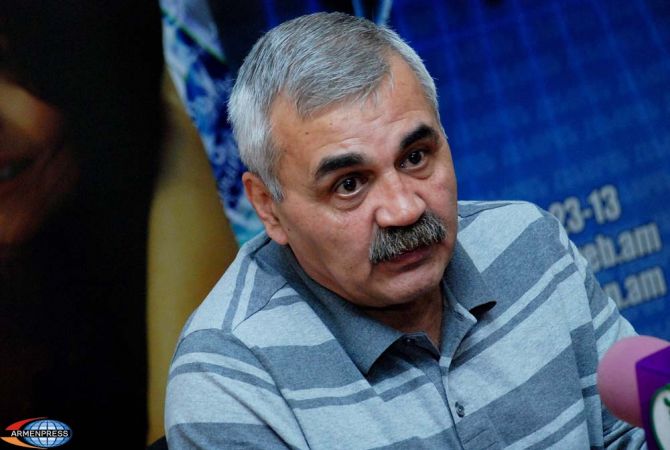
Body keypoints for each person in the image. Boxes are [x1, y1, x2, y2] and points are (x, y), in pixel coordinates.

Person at [165, 12, 645, 449]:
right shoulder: (231, 379)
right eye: (349, 185)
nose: (404, 209)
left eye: (415, 157)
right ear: (269, 208)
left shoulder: (529, 244)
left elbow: (639, 433)